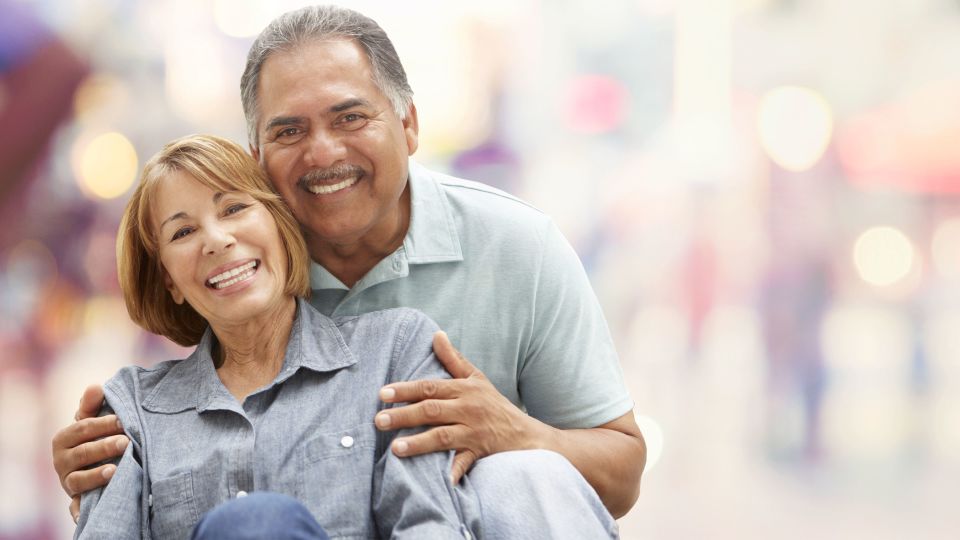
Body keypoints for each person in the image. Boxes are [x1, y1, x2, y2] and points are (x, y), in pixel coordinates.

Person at [53, 4, 646, 523]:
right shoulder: (243, 267)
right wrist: (106, 461)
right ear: (257, 157)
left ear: (408, 124)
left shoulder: (517, 246)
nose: (324, 152)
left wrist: (520, 436)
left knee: (522, 476)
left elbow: (621, 473)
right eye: (289, 131)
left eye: (350, 117)